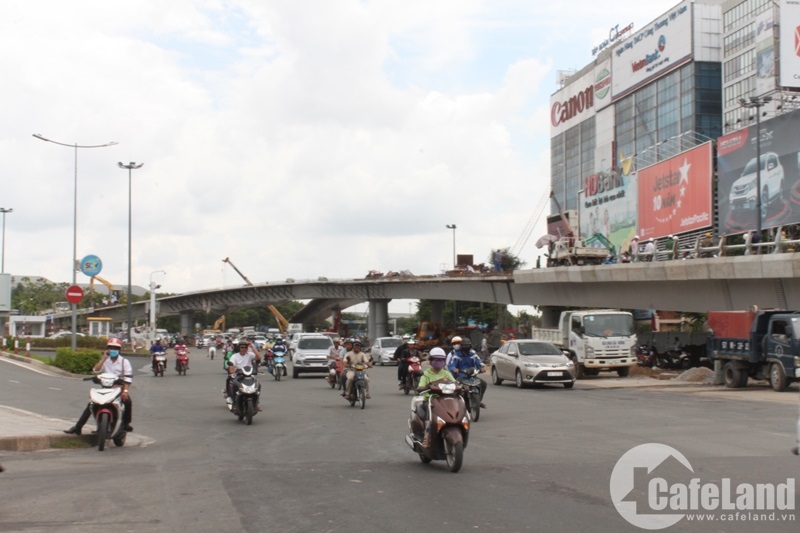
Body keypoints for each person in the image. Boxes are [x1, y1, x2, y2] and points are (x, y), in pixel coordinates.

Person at [64, 338, 133, 435]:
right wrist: (103, 359)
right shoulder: (106, 360)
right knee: (92, 404)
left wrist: (125, 391)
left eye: (115, 348)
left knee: (127, 401)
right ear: (107, 349)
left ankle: (126, 424)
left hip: (118, 389)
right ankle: (78, 427)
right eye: (111, 348)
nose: (113, 350)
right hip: (106, 388)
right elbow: (96, 370)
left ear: (119, 350)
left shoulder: (124, 362)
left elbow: (128, 378)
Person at [415, 347, 456, 448]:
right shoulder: (426, 374)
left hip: (445, 400)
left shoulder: (446, 373)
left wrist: (460, 386)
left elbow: (454, 383)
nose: (439, 362)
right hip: (430, 400)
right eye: (436, 360)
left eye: (441, 360)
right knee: (428, 416)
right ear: (431, 360)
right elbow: (420, 386)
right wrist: (423, 388)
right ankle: (426, 436)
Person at [448, 337, 487, 409]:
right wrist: (454, 369)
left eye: (467, 345)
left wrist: (482, 367)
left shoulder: (473, 354)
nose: (466, 347)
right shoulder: (456, 355)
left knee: (483, 384)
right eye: (464, 345)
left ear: (470, 346)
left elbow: (479, 362)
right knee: (457, 388)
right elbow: (451, 365)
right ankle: (456, 402)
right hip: (461, 376)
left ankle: (478, 401)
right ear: (461, 346)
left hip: (471, 376)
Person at [226, 341, 262, 410]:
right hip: (239, 374)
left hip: (249, 374)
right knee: (234, 384)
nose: (244, 349)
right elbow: (231, 366)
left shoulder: (250, 355)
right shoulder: (234, 356)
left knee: (258, 385)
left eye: (245, 347)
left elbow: (259, 357)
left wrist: (252, 346)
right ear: (239, 348)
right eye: (242, 347)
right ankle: (235, 404)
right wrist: (232, 371)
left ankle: (256, 403)